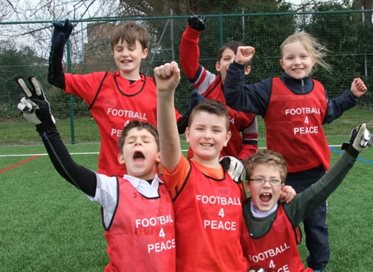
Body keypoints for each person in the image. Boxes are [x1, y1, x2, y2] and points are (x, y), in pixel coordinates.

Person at [222, 31, 368, 271]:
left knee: (316, 227)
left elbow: (328, 112)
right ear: (282, 63)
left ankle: (317, 266)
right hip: (281, 177)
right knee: (275, 226)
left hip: (314, 175)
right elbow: (235, 97)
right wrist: (238, 65)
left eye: (302, 56)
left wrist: (351, 96)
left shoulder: (318, 89)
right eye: (290, 58)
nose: (297, 62)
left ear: (311, 60)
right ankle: (270, 263)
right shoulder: (270, 88)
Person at [16, 76, 176, 271]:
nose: (138, 142)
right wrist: (46, 127)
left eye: (145, 140)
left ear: (159, 155)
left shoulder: (173, 186)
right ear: (121, 158)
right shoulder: (113, 190)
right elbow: (70, 169)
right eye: (131, 141)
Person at [48, 20, 180, 177]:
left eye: (131, 49)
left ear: (144, 52)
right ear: (113, 52)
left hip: (148, 178)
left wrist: (196, 107)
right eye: (119, 49)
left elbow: (177, 125)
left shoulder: (157, 88)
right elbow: (55, 78)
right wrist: (57, 47)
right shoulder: (100, 83)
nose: (125, 54)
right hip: (111, 182)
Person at [154, 61, 250, 271]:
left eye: (216, 130)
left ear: (226, 138)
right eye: (200, 128)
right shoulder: (182, 172)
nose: (207, 136)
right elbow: (169, 141)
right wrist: (165, 93)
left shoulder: (235, 180)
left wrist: (284, 193)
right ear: (188, 134)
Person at [241, 123, 373, 271]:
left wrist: (352, 152)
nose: (266, 185)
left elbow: (323, 187)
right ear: (247, 185)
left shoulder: (289, 209)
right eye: (259, 179)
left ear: (282, 186)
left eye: (274, 180)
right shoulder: (237, 215)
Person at [178, 15, 258, 162]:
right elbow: (188, 62)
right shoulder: (207, 82)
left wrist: (238, 164)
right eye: (227, 59)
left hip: (229, 170)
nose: (231, 64)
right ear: (217, 66)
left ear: (247, 70)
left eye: (237, 60)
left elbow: (251, 143)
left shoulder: (250, 99)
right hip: (198, 165)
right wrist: (192, 33)